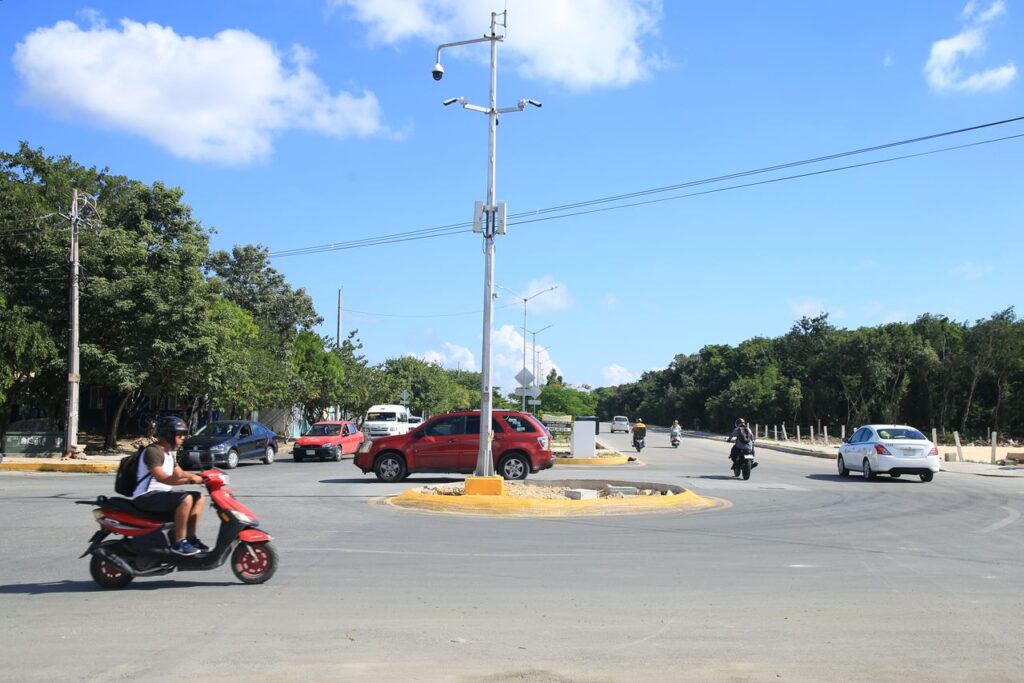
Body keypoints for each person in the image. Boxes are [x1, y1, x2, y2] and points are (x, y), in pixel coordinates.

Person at [132, 415, 207, 556]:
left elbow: (179, 473)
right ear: (169, 434)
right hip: (145, 497)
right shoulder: (153, 451)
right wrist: (190, 481)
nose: (183, 438)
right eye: (180, 434)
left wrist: (203, 476)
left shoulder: (167, 454)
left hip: (159, 496)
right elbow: (161, 478)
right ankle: (179, 543)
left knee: (199, 497)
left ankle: (190, 538)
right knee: (185, 499)